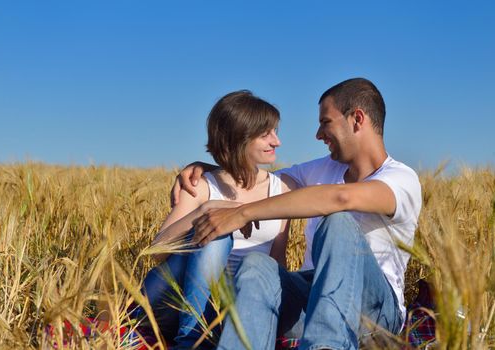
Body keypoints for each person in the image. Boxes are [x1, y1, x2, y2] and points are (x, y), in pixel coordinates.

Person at [173, 78, 422, 349]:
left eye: (325, 122)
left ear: (357, 119)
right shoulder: (321, 169)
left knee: (338, 221)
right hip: (312, 301)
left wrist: (243, 214)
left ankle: (326, 345)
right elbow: (255, 182)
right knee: (256, 265)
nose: (318, 135)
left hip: (374, 314)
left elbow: (341, 197)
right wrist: (210, 167)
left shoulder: (401, 178)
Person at [136, 90, 296, 349]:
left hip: (231, 306)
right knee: (216, 228)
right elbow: (156, 252)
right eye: (266, 134)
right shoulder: (201, 186)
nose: (276, 141)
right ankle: (191, 341)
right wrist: (204, 210)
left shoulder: (281, 191)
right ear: (239, 137)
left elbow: (278, 262)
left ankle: (200, 337)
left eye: (276, 131)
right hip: (170, 302)